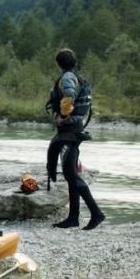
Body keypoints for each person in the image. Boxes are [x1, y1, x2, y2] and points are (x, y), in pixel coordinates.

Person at [45, 48, 104, 230]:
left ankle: (96, 214)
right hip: (73, 129)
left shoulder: (67, 78)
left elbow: (69, 95)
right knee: (71, 174)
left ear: (58, 63)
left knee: (70, 174)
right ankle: (73, 218)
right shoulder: (76, 76)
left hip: (70, 130)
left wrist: (62, 116)